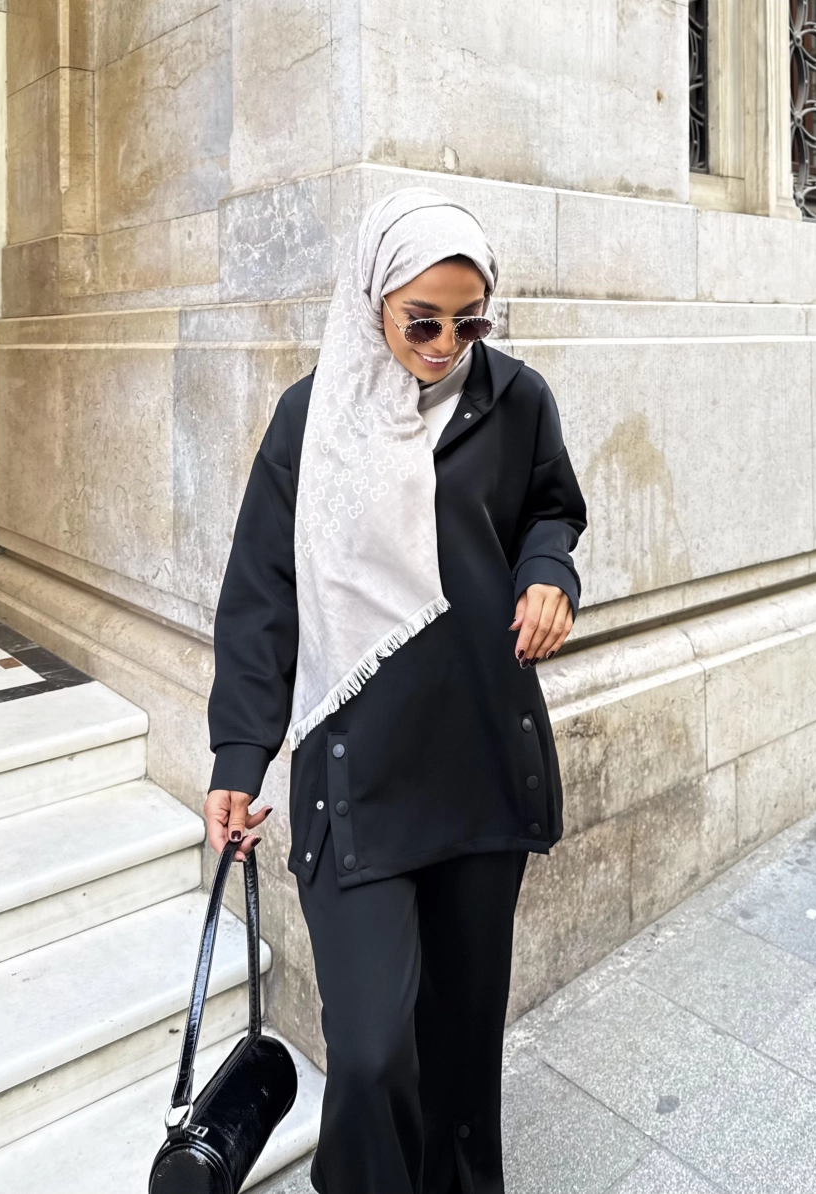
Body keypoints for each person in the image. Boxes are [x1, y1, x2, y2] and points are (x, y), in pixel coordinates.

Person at [203, 188, 587, 1194]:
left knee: (462, 1049)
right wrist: (240, 755)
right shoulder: (311, 419)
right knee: (372, 1055)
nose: (446, 345)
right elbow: (262, 595)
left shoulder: (516, 400)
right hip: (355, 777)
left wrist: (549, 572)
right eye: (423, 321)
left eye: (470, 322)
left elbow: (551, 510)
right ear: (371, 299)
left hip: (480, 762)